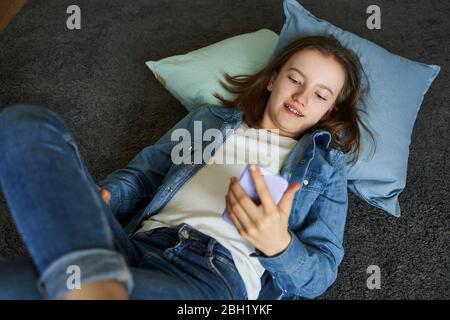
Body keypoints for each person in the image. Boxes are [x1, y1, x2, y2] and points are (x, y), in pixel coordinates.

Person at [0, 35, 374, 300]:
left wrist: (278, 244)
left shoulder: (326, 167)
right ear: (273, 79)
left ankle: (91, 284)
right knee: (26, 123)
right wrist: (106, 197)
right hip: (137, 245)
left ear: (330, 112)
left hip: (214, 276)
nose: (301, 97)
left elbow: (321, 273)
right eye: (295, 78)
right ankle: (96, 285)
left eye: (320, 95)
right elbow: (145, 175)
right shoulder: (208, 121)